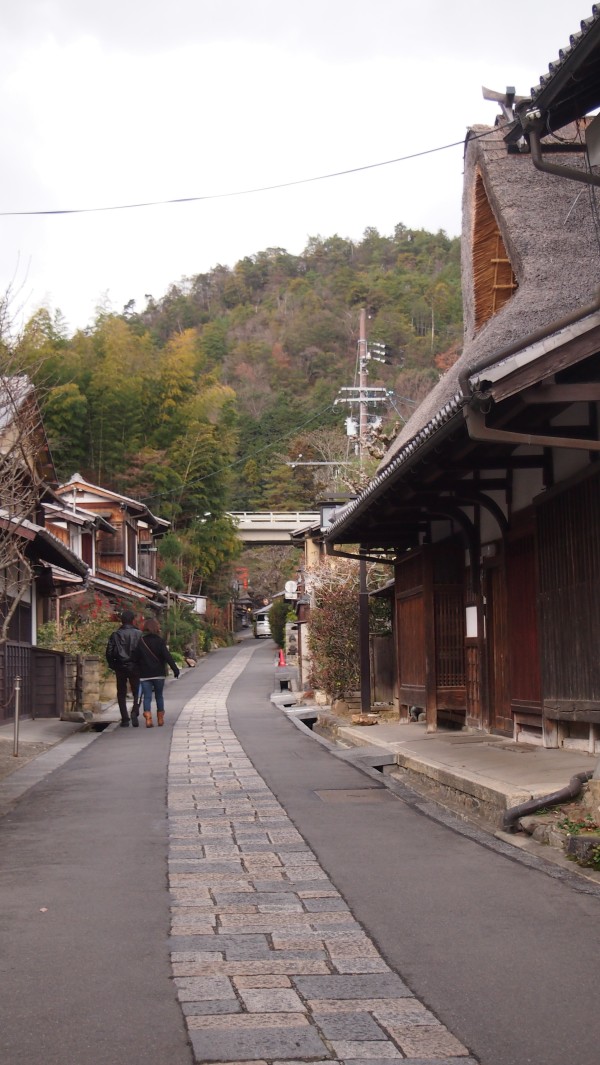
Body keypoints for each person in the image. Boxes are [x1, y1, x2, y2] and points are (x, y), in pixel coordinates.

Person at [132, 617, 180, 728]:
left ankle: (148, 718)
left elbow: (134, 658)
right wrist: (175, 669)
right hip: (159, 674)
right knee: (159, 696)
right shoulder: (160, 641)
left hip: (145, 675)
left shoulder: (141, 641)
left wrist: (137, 670)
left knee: (147, 697)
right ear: (156, 628)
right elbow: (167, 656)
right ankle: (160, 718)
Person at [106, 609, 142, 727]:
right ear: (133, 620)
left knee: (121, 692)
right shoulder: (138, 634)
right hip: (136, 665)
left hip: (120, 666)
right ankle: (135, 711)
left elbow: (109, 652)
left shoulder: (116, 634)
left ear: (122, 621)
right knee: (137, 690)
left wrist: (113, 665)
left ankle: (125, 719)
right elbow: (143, 651)